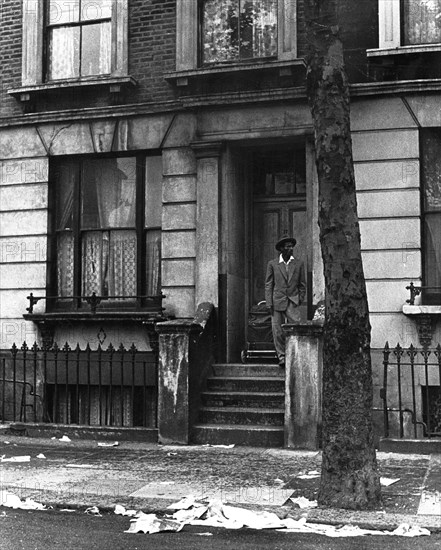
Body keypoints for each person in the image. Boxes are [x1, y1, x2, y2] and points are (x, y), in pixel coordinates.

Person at [265, 236, 306, 367]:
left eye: (291, 246)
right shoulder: (272, 264)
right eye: (287, 246)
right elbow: (269, 284)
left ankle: (298, 355)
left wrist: (299, 299)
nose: (290, 249)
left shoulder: (299, 263)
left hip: (292, 300)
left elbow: (302, 284)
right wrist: (269, 303)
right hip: (276, 301)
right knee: (277, 330)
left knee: (297, 328)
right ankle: (282, 356)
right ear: (281, 249)